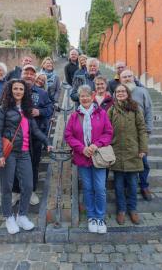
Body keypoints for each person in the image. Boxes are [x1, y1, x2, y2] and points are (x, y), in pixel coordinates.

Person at [0, 79, 52, 234]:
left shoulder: (27, 110)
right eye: (15, 88)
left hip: (24, 153)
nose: (18, 91)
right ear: (10, 91)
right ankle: (9, 217)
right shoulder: (3, 109)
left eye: (21, 89)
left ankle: (22, 216)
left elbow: (35, 130)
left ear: (25, 92)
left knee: (28, 186)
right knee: (7, 186)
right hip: (8, 153)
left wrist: (47, 142)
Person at [65, 85, 113, 234]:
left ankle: (100, 217)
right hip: (82, 157)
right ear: (79, 98)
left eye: (87, 95)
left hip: (98, 157)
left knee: (100, 188)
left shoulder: (102, 113)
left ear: (92, 96)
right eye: (81, 96)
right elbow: (68, 135)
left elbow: (108, 132)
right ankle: (91, 216)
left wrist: (96, 145)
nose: (84, 98)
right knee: (87, 188)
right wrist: (81, 148)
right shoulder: (74, 116)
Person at [108, 84, 148, 225]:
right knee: (118, 185)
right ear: (114, 94)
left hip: (133, 151)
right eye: (118, 91)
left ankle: (133, 210)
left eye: (123, 91)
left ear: (127, 93)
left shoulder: (135, 108)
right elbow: (106, 131)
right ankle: (121, 210)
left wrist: (143, 148)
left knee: (132, 183)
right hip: (117, 152)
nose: (120, 93)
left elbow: (142, 129)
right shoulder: (112, 110)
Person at [119, 70, 154, 201]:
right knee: (128, 160)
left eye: (129, 76)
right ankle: (128, 186)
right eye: (124, 77)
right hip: (124, 134)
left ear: (133, 78)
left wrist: (148, 129)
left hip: (140, 133)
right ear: (120, 79)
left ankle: (144, 185)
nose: (127, 79)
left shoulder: (142, 91)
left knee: (143, 161)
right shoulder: (118, 92)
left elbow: (149, 110)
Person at [21, 64, 53, 205]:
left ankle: (32, 191)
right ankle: (16, 191)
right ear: (21, 74)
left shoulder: (42, 93)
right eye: (26, 72)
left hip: (36, 135)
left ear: (35, 77)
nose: (29, 75)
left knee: (34, 164)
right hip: (16, 135)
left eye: (31, 73)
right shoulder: (14, 89)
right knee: (16, 164)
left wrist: (39, 112)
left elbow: (50, 108)